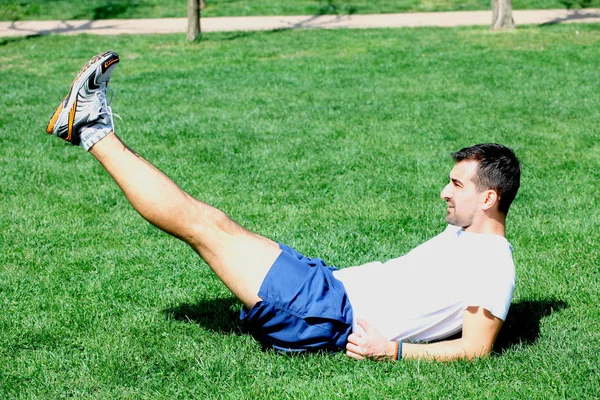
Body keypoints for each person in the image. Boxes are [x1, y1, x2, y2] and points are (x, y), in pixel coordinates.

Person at [46, 51, 521, 362]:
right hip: (328, 286)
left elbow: (477, 348)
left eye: (456, 185)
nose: (444, 191)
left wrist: (391, 350)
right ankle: (88, 126)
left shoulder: (493, 264)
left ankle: (90, 128)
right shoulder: (467, 235)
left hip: (325, 311)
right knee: (212, 224)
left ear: (488, 197)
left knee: (202, 224)